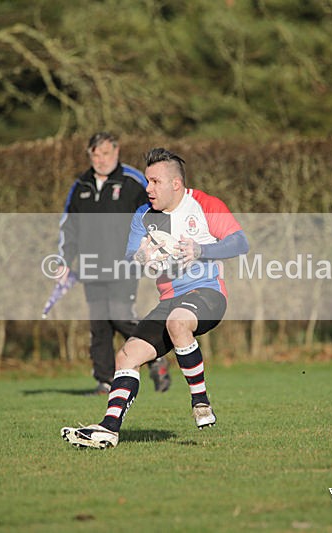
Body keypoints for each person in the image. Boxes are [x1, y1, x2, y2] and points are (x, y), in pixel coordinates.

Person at [61, 147, 249, 448]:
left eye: (154, 182)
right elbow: (130, 258)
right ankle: (109, 429)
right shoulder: (144, 216)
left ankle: (200, 401)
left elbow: (241, 243)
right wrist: (140, 256)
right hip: (170, 302)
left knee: (177, 323)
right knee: (126, 356)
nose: (147, 189)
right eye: (147, 181)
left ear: (176, 184)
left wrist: (203, 250)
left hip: (208, 294)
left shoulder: (204, 204)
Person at [56, 132, 171, 395]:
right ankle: (105, 381)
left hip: (124, 264)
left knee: (120, 316)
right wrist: (64, 261)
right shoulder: (81, 185)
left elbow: (155, 216)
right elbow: (69, 227)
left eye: (106, 153)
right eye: (95, 154)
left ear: (116, 153)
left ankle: (156, 356)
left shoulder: (132, 181)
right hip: (90, 265)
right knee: (99, 325)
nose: (100, 159)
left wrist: (153, 248)